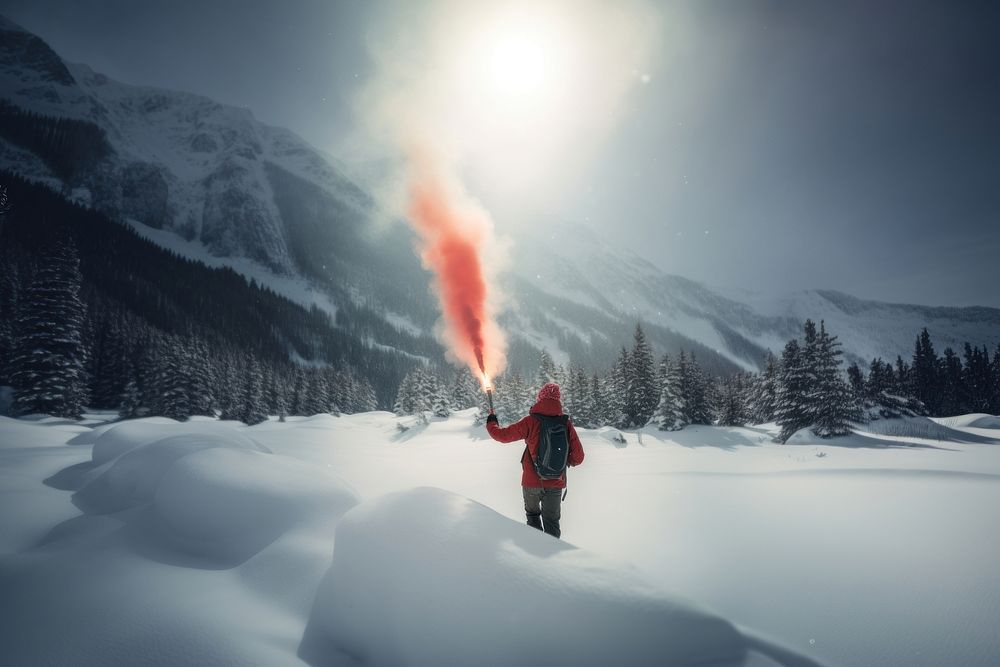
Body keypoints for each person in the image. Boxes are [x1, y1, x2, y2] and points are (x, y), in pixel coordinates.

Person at [486, 382, 585, 539]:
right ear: (558, 400)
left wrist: (492, 422)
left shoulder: (530, 421)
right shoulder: (565, 423)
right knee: (552, 524)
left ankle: (534, 556)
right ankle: (553, 559)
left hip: (531, 482)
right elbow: (579, 457)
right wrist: (563, 461)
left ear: (540, 398)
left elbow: (502, 436)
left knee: (533, 519)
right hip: (556, 482)